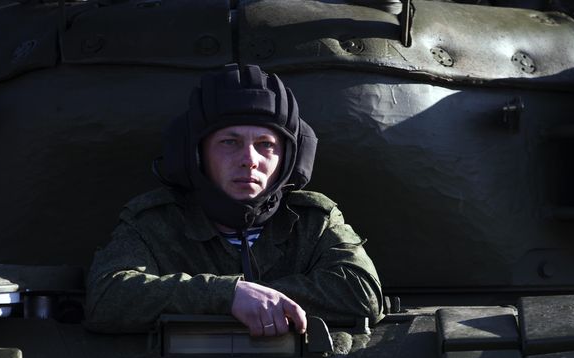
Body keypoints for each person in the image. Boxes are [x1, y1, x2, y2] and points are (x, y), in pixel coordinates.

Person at [84, 64, 383, 336]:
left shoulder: (312, 220)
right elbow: (108, 295)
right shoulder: (156, 221)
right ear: (197, 153)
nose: (248, 160)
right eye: (230, 142)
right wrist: (229, 296)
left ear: (290, 156)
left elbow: (362, 291)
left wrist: (257, 299)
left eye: (266, 145)